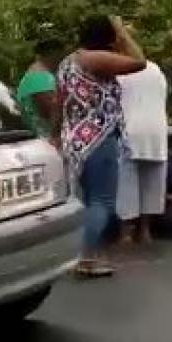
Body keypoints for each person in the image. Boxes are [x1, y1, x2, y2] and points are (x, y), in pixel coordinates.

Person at [57, 15, 147, 277]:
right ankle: (84, 257)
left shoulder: (68, 62)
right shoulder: (92, 58)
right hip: (98, 136)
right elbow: (139, 62)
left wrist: (56, 135)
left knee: (87, 201)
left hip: (75, 138)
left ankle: (89, 255)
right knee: (102, 202)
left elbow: (58, 102)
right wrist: (124, 35)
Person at [115, 60, 169, 244]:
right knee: (152, 184)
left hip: (129, 130)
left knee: (126, 185)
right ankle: (146, 231)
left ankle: (126, 233)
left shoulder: (118, 69)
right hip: (157, 130)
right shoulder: (155, 69)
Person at [15, 38, 67, 140]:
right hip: (42, 138)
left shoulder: (38, 74)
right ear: (54, 53)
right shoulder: (39, 76)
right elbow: (51, 111)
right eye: (63, 54)